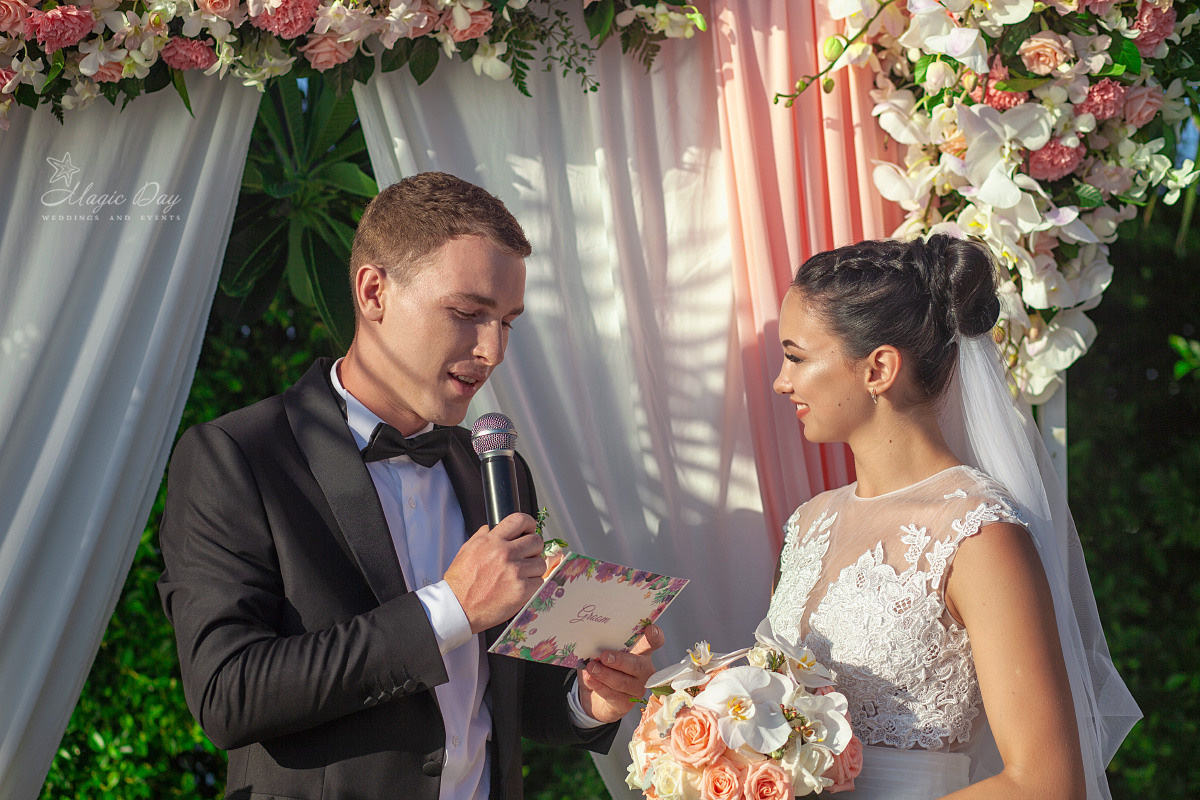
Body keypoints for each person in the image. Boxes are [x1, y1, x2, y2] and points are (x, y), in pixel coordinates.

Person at [157, 172, 663, 800]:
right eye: (468, 313)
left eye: (507, 321)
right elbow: (227, 694)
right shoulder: (236, 457)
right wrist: (450, 608)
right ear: (374, 292)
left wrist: (587, 698)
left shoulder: (498, 470)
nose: (493, 350)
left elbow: (489, 690)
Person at [765, 235, 1139, 799]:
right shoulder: (808, 524)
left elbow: (1046, 784)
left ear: (879, 368)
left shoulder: (978, 534)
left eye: (796, 356)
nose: (781, 380)